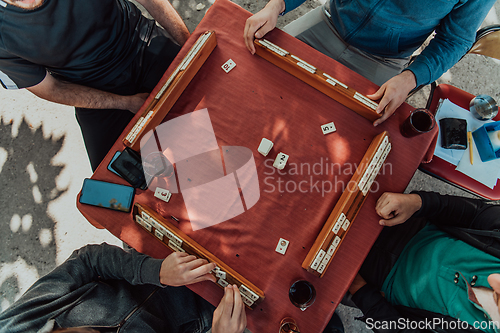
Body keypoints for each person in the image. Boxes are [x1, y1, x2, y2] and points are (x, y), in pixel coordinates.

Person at [0, 0, 189, 171]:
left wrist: (191, 48)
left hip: (141, 41)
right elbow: (51, 88)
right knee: (116, 176)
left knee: (208, 97)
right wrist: (126, 103)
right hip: (90, 86)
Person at [243, 0, 495, 126]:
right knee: (251, 80)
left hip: (384, 59)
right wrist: (276, 4)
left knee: (339, 132)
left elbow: (455, 40)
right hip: (328, 22)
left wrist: (409, 79)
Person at [0, 243, 247, 333]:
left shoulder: (15, 324)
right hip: (209, 320)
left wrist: (155, 271)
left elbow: (87, 260)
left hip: (157, 258)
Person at [345, 191, 500, 332]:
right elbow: (476, 212)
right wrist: (418, 202)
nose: (493, 277)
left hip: (375, 282)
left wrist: (360, 291)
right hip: (408, 224)